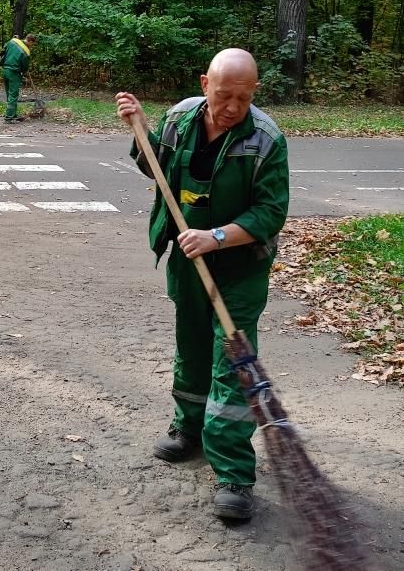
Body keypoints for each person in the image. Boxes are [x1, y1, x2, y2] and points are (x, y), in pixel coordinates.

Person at [115, 48, 289, 520]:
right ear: (204, 84)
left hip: (239, 267)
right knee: (191, 346)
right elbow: (159, 169)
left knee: (231, 362)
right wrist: (141, 131)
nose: (232, 107)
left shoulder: (266, 140)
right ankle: (187, 428)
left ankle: (233, 472)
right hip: (188, 261)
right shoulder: (179, 119)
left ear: (255, 92)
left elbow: (271, 212)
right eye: (223, 94)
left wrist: (217, 237)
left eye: (243, 98)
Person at [0, 33, 37, 124]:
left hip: (5, 70)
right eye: (32, 44)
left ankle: (12, 114)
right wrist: (24, 71)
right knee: (13, 95)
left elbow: (3, 50)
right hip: (14, 73)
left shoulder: (13, 41)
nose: (32, 46)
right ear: (30, 41)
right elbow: (25, 67)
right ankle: (9, 118)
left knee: (9, 94)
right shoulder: (26, 51)